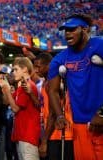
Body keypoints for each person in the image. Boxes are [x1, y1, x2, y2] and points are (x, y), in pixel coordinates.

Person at [48, 13, 103, 160]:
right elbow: (52, 91)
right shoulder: (59, 59)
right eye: (65, 30)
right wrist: (59, 115)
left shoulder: (100, 45)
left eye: (72, 29)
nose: (67, 33)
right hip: (80, 125)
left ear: (85, 30)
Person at [0, 57, 40, 160]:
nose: (13, 73)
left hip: (28, 135)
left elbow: (15, 108)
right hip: (22, 134)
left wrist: (7, 90)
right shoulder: (21, 86)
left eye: (16, 69)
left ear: (25, 69)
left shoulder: (27, 85)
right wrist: (6, 88)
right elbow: (6, 101)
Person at [35, 53, 74, 160]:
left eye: (39, 66)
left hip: (59, 134)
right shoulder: (46, 83)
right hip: (55, 134)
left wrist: (44, 141)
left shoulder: (52, 85)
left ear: (49, 65)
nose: (36, 70)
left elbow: (53, 114)